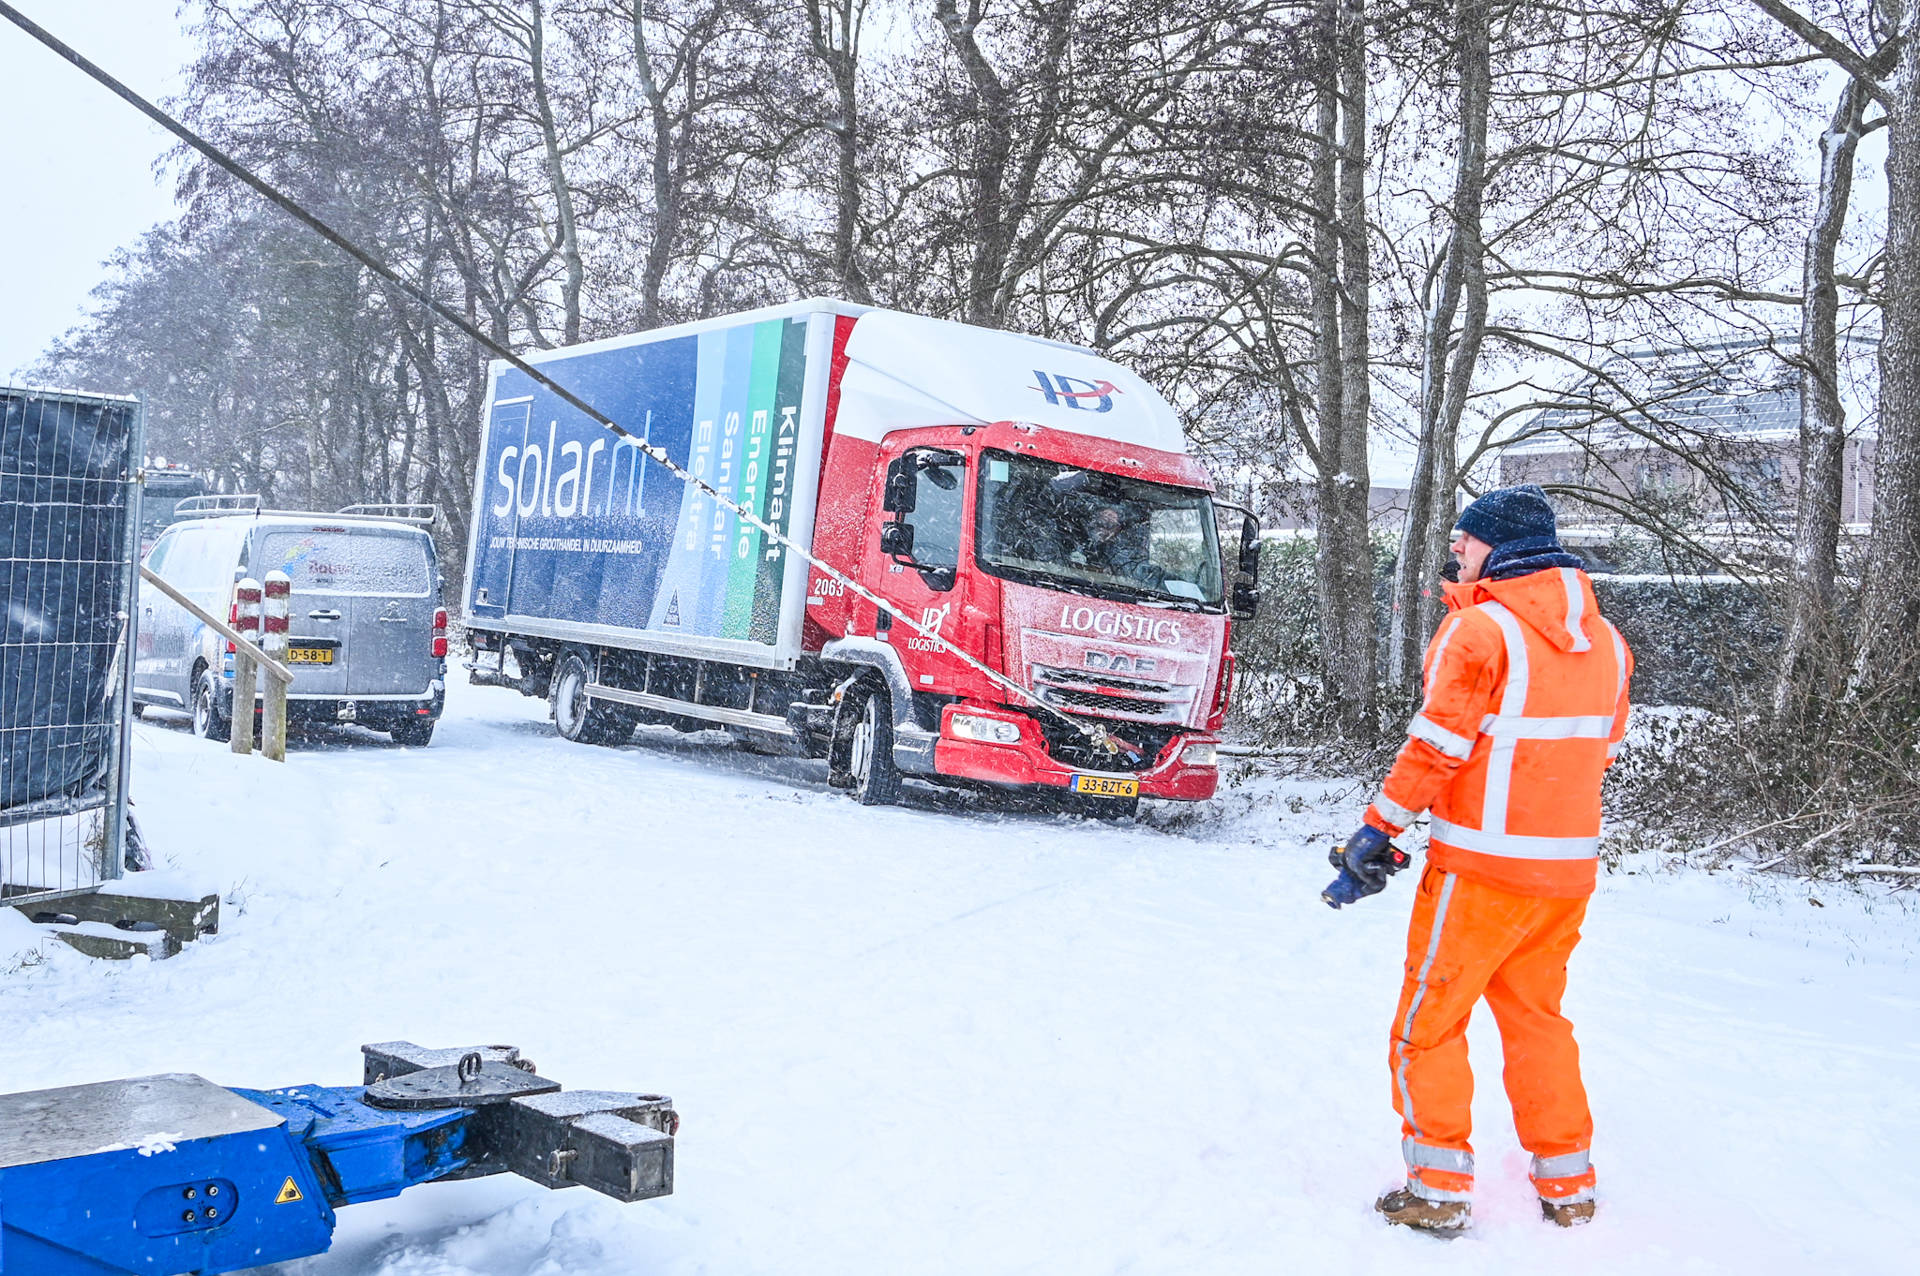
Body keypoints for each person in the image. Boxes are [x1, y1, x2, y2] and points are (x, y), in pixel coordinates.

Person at [1332, 484, 1632, 1233]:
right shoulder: (1609, 643)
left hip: (1479, 875)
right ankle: (1570, 1191)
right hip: (1564, 877)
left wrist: (1379, 831)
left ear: (1499, 546)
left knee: (1427, 1026)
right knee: (1539, 1024)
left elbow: (1437, 748)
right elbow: (1601, 753)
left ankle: (1437, 1190)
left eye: (1466, 541)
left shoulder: (1480, 633)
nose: (1455, 553)